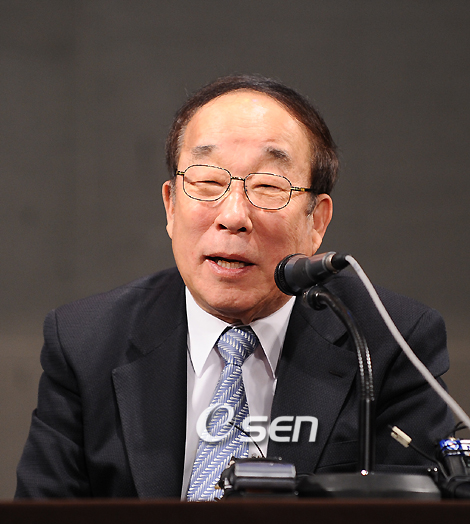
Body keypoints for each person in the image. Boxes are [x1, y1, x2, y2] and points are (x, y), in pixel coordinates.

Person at [15, 75, 454, 499]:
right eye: (208, 182)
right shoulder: (86, 342)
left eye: (268, 187)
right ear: (170, 206)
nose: (232, 216)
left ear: (316, 221)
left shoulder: (389, 342)